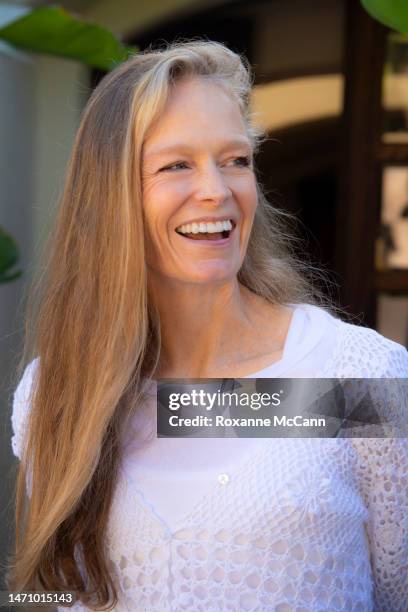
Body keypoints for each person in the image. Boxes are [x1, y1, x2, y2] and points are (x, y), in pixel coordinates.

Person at [7, 40, 408, 612]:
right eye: (176, 165)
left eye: (235, 160)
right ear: (110, 196)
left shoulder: (351, 377)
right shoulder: (56, 394)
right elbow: (49, 597)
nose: (217, 191)